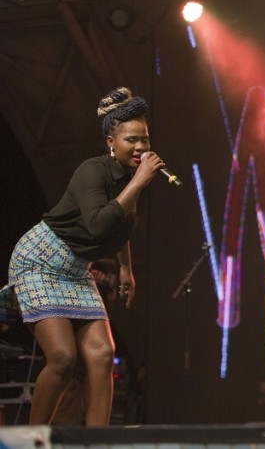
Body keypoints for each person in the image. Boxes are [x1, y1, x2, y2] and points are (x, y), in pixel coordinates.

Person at [0, 87, 164, 426]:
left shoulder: (128, 179)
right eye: (132, 140)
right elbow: (98, 224)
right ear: (111, 142)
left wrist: (125, 269)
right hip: (40, 261)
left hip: (75, 269)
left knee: (103, 354)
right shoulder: (93, 171)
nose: (140, 148)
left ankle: (97, 441)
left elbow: (121, 226)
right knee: (62, 358)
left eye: (145, 140)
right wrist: (140, 183)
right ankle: (34, 439)